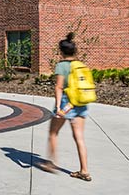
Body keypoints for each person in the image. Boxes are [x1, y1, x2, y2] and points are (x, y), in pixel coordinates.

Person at [38, 32, 91, 181]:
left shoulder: (62, 66)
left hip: (66, 103)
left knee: (53, 133)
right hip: (81, 103)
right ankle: (84, 170)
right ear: (74, 51)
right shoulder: (80, 65)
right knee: (79, 137)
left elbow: (59, 87)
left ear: (61, 52)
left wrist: (58, 108)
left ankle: (50, 164)